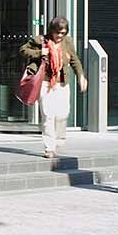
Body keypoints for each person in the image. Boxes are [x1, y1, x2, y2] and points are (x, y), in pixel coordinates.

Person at [19, 17, 87, 158]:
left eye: (63, 33)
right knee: (48, 115)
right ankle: (49, 147)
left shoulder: (67, 42)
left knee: (63, 113)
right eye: (58, 33)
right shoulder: (40, 41)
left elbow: (74, 59)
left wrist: (80, 75)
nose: (60, 36)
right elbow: (23, 50)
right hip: (45, 82)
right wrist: (39, 53)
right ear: (52, 31)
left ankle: (59, 139)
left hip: (62, 82)